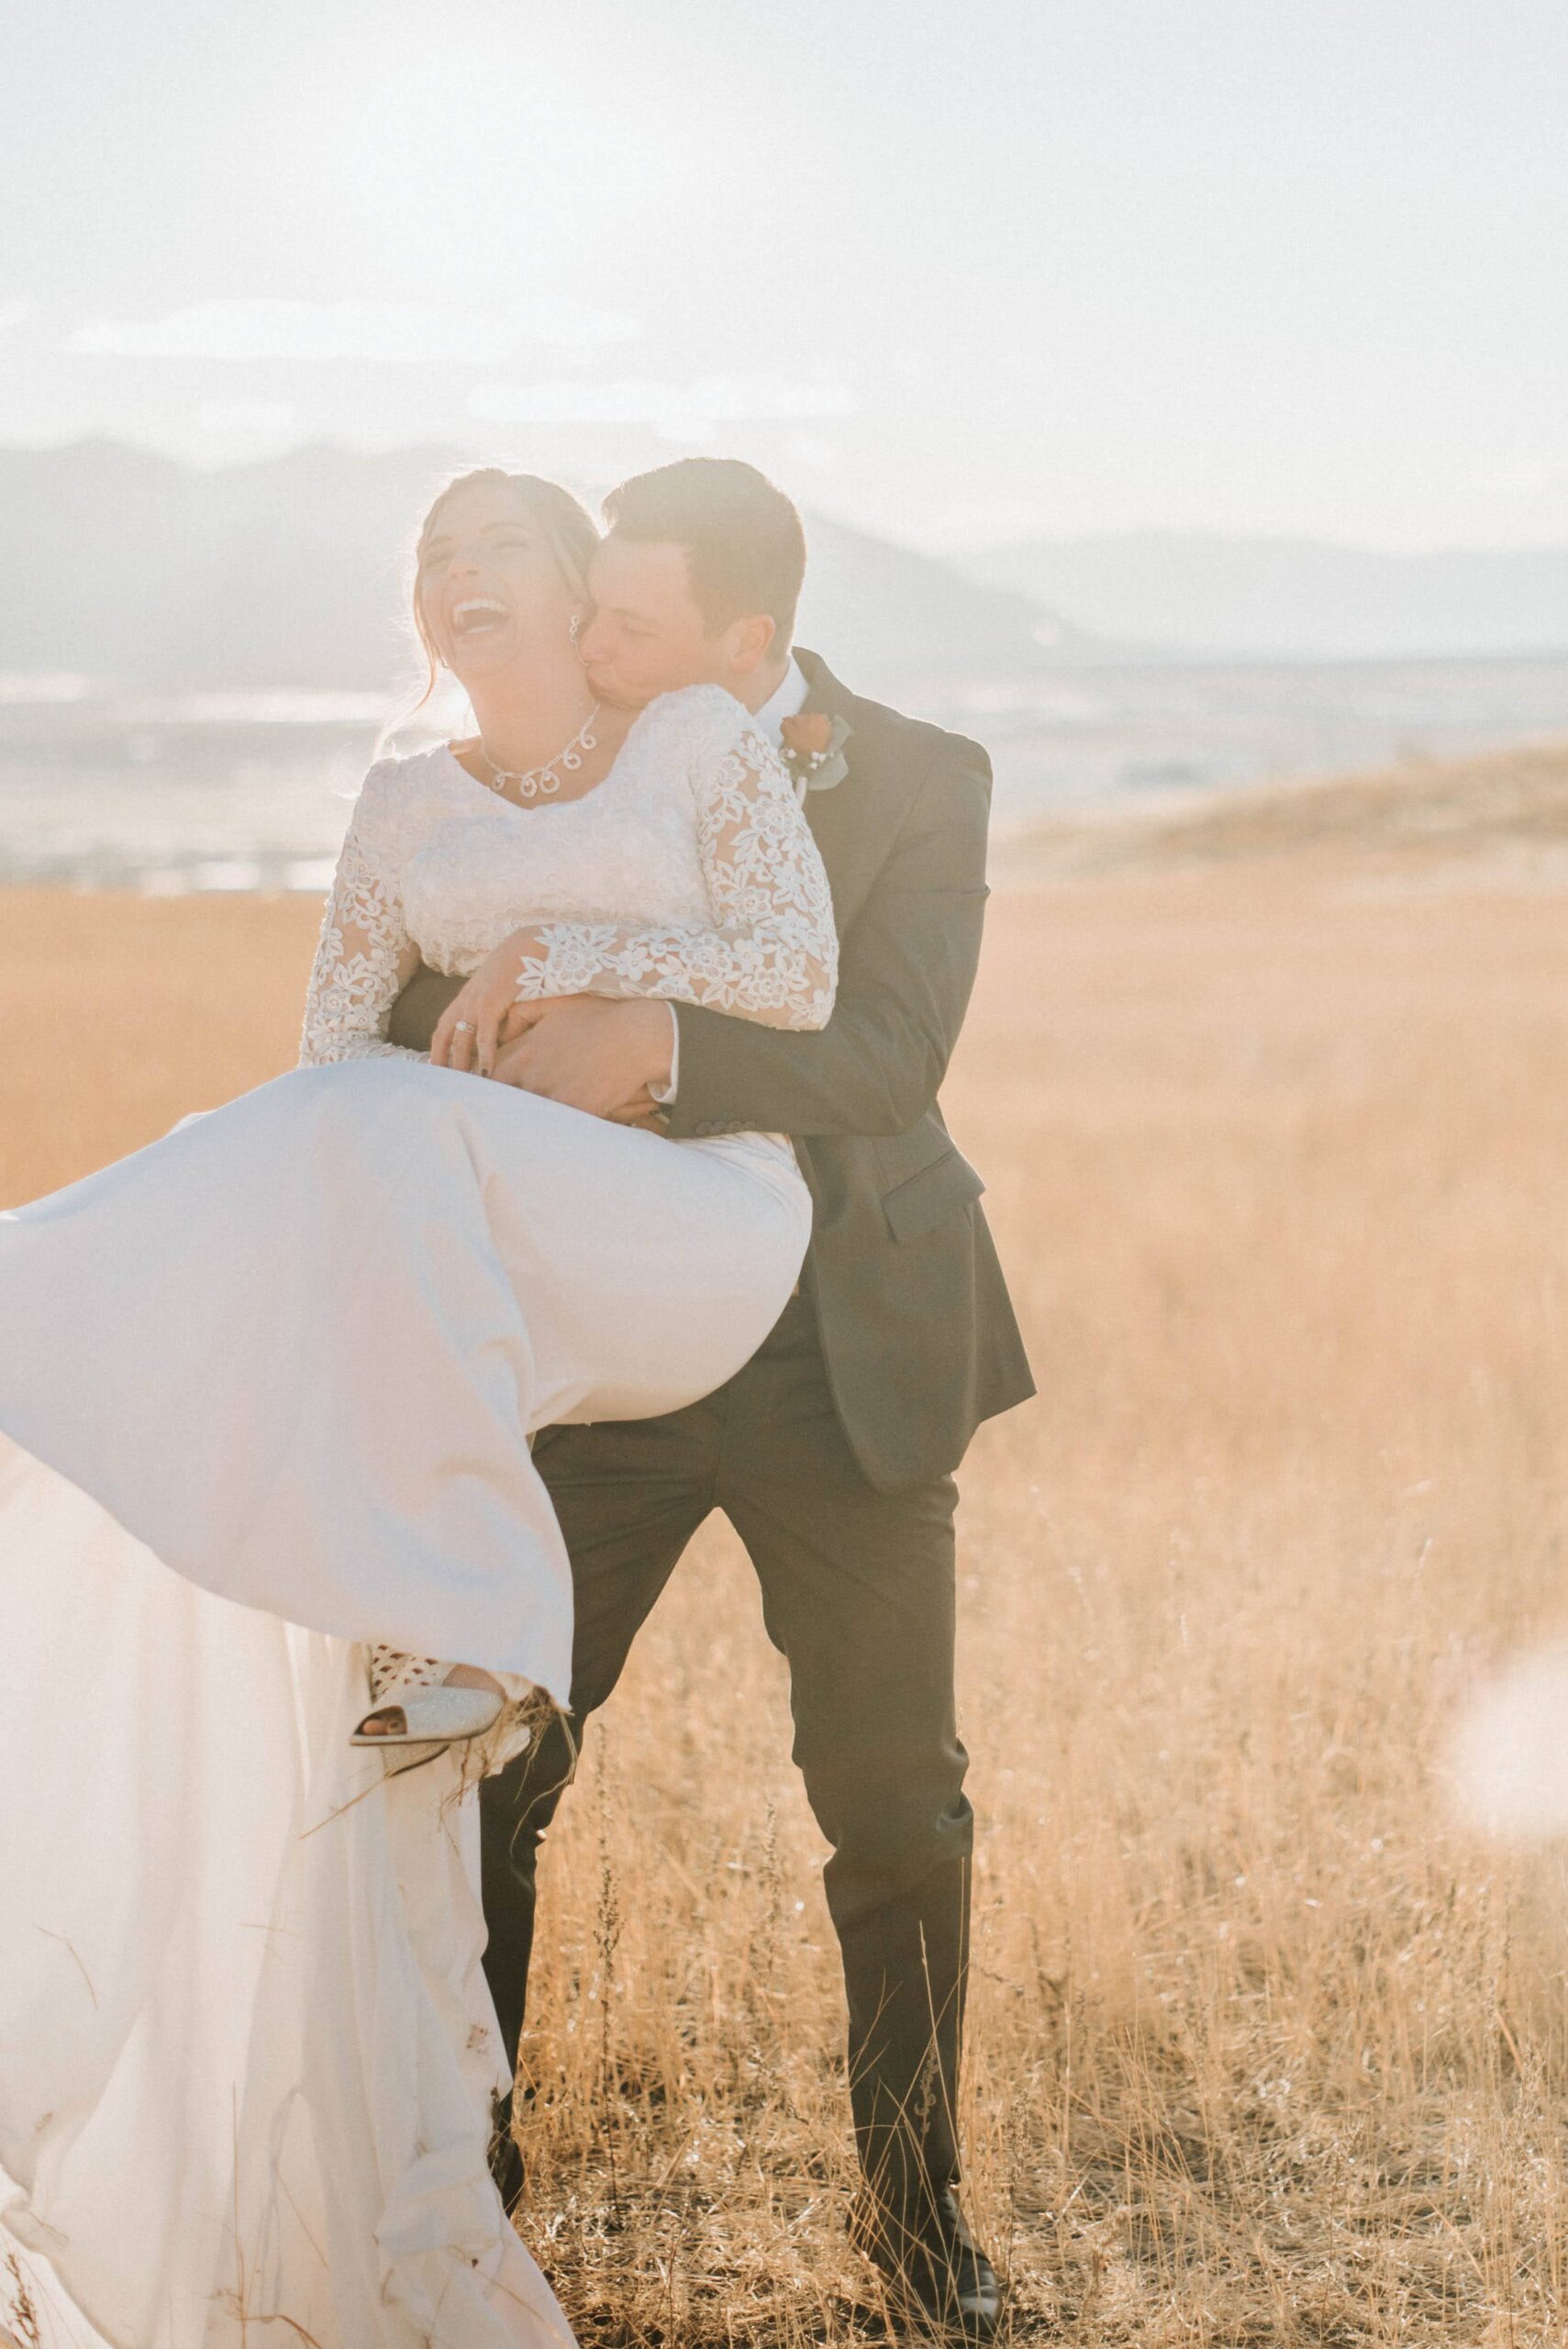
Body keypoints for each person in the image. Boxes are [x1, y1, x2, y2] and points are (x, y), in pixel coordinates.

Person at [0, 464, 839, 2349]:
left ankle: (465, 1598)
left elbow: (797, 970)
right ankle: (53, 1310)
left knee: (380, 1125)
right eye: (430, 558)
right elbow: (327, 1068)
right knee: (342, 1115)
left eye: (496, 549)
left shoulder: (694, 740)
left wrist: (561, 957)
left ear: (575, 593)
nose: (458, 574)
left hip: (696, 1218)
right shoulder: (396, 808)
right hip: (486, 1227)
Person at [389, 457, 1036, 2341]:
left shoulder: (925, 777)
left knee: (897, 1800)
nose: (592, 647)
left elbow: (894, 1049)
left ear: (746, 641)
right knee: (500, 1760)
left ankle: (920, 2223)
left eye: (631, 624)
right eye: (587, 617)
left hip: (853, 1350)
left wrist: (652, 1044)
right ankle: (469, 2203)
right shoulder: (567, 758)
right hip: (611, 1360)